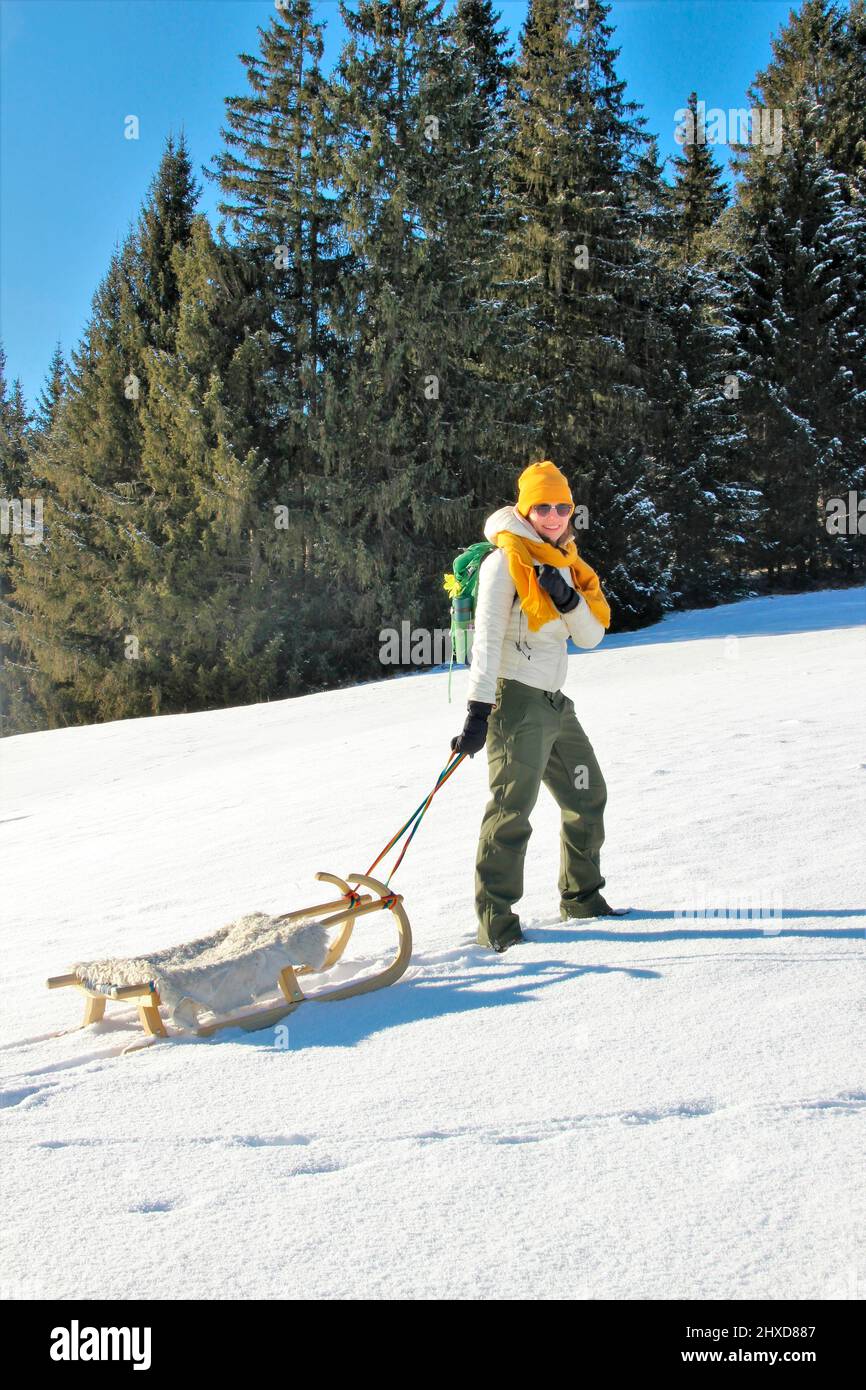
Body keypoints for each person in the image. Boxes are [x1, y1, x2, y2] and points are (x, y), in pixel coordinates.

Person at [450, 460, 617, 952]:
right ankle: (496, 924)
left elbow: (590, 637)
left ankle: (583, 899)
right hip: (515, 701)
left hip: (555, 702)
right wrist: (479, 712)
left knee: (587, 797)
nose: (552, 514)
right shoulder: (505, 561)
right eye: (541, 506)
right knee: (512, 811)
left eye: (561, 506)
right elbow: (487, 640)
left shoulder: (565, 561)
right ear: (525, 508)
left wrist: (566, 598)